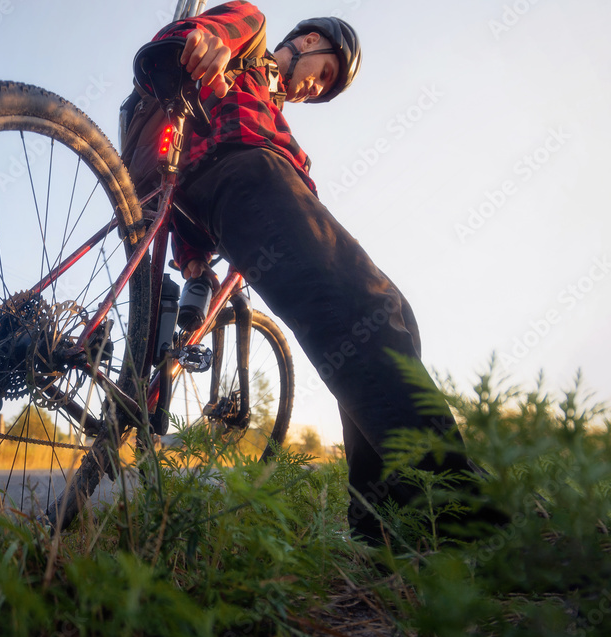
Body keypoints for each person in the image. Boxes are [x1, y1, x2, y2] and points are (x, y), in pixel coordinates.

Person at [132, 0, 491, 545]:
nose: (314, 89)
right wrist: (202, 40)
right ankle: (454, 515)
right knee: (369, 312)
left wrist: (194, 260)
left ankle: (383, 526)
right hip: (249, 173)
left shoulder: (263, 104)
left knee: (391, 318)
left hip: (211, 198)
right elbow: (224, 27)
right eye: (321, 72)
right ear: (306, 40)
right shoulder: (254, 52)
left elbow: (191, 191)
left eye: (324, 90)